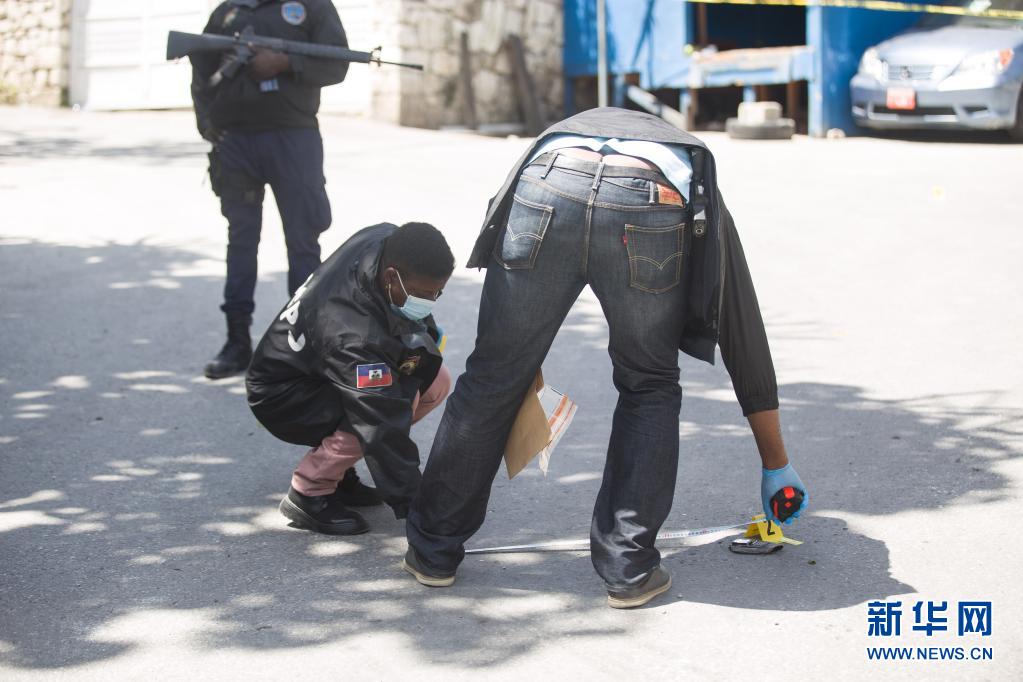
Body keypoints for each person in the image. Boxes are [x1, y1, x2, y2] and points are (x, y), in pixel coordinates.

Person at [402, 108, 809, 607]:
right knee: (649, 384)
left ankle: (433, 553)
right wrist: (775, 462)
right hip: (651, 199)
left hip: (547, 181)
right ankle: (629, 569)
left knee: (493, 375)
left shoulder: (573, 129)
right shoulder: (686, 167)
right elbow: (742, 328)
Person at [246, 222, 455, 534]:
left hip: (314, 368)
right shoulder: (353, 336)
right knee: (394, 400)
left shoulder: (382, 239)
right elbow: (380, 421)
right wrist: (419, 507)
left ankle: (338, 471)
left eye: (438, 293)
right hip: (283, 398)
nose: (431, 301)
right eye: (424, 295)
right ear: (391, 277)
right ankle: (309, 490)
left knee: (436, 380)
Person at [189, 0, 349, 379]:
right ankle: (237, 341)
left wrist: (286, 63)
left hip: (293, 139)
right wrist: (206, 122)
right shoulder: (229, 10)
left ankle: (304, 347)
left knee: (303, 242)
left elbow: (337, 64)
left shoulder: (311, 6)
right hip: (236, 142)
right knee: (241, 241)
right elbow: (201, 64)